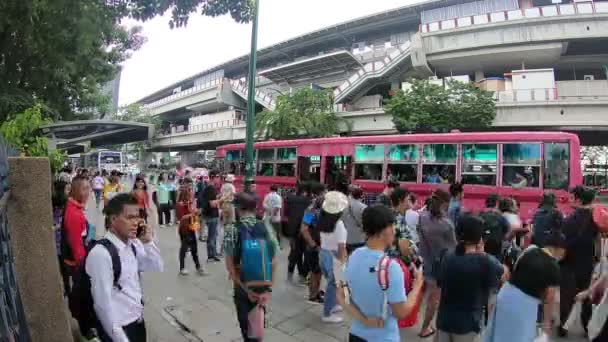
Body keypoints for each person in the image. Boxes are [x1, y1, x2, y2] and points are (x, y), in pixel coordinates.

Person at [86, 194, 164, 342]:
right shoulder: (101, 254)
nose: (136, 222)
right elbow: (102, 305)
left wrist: (148, 242)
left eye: (137, 217)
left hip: (137, 322)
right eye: (130, 217)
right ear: (113, 219)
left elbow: (157, 266)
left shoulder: (133, 245)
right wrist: (121, 338)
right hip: (119, 330)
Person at [343, 204, 424, 341]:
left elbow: (341, 296)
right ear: (383, 232)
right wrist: (416, 287)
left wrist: (364, 320)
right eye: (392, 226)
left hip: (356, 333)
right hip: (383, 337)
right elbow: (401, 312)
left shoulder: (354, 255)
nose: (394, 230)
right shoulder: (391, 267)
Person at [436, 214, 505, 342]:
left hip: (444, 322)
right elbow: (504, 274)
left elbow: (439, 287)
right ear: (480, 238)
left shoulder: (446, 256)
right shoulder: (485, 261)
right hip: (468, 325)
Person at [485, 231, 564, 342]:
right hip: (524, 304)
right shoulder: (553, 267)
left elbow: (515, 268)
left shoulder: (530, 250)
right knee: (518, 337)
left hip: (506, 294)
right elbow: (549, 298)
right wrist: (546, 324)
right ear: (559, 249)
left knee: (499, 334)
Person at [224, 192, 277, 342]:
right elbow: (273, 261)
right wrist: (268, 288)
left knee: (246, 325)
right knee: (257, 320)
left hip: (242, 285)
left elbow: (229, 265)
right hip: (262, 283)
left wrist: (242, 285)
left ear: (239, 208)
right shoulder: (265, 226)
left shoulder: (232, 229)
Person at [559, 186, 599, 337]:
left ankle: (563, 327)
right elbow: (598, 242)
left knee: (567, 296)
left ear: (579, 200)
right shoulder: (595, 219)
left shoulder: (568, 219)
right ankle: (587, 326)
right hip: (587, 262)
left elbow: (562, 240)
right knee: (586, 295)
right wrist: (596, 259)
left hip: (568, 262)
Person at [417, 189, 455, 339]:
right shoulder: (447, 224)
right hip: (439, 266)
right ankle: (425, 328)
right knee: (433, 300)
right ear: (445, 204)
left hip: (422, 260)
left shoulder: (422, 217)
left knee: (420, 293)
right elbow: (453, 247)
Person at [318, 191, 349, 323]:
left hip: (323, 254)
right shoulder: (339, 224)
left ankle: (333, 305)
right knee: (333, 286)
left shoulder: (323, 220)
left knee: (332, 284)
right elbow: (342, 247)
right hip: (335, 256)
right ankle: (327, 314)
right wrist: (342, 263)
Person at [62, 176, 92, 288]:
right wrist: (84, 265)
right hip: (76, 264)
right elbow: (76, 245)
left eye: (89, 188)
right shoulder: (74, 213)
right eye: (84, 189)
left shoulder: (74, 207)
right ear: (74, 190)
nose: (87, 193)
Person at [301, 182, 327, 304]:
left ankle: (316, 291)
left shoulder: (321, 207)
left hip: (319, 244)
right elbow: (304, 229)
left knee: (318, 270)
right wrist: (313, 245)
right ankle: (313, 295)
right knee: (315, 271)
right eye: (325, 192)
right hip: (314, 245)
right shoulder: (311, 209)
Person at [176, 178, 205, 276]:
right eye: (188, 185)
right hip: (184, 227)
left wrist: (196, 211)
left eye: (190, 186)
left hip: (191, 224)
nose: (190, 188)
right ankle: (182, 267)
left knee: (194, 247)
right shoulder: (181, 201)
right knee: (184, 247)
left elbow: (192, 209)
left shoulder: (190, 198)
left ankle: (198, 267)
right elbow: (181, 217)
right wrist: (194, 213)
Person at [285, 182, 312, 285]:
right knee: (305, 253)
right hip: (305, 230)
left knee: (294, 252)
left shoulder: (291, 198)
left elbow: (287, 212)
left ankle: (290, 273)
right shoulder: (309, 201)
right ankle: (302, 274)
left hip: (293, 231)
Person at [201, 170, 221, 262]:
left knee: (214, 235)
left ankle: (213, 254)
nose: (219, 179)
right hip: (212, 215)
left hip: (209, 214)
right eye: (218, 177)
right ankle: (211, 256)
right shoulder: (211, 188)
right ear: (213, 177)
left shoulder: (208, 187)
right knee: (212, 236)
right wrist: (223, 199)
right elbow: (212, 204)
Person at [341, 185, 367, 255]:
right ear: (361, 196)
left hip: (346, 238)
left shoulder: (343, 206)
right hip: (360, 239)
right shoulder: (364, 207)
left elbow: (341, 221)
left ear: (351, 195)